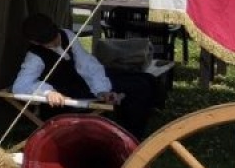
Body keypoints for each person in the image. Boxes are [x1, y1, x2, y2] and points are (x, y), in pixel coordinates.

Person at [12, 12, 156, 137]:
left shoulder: (67, 35)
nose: (56, 43)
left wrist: (101, 89)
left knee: (146, 78)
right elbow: (21, 85)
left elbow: (86, 64)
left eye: (55, 38)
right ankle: (131, 136)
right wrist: (48, 92)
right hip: (69, 90)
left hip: (86, 80)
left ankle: (130, 125)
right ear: (35, 42)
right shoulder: (35, 56)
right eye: (49, 44)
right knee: (138, 87)